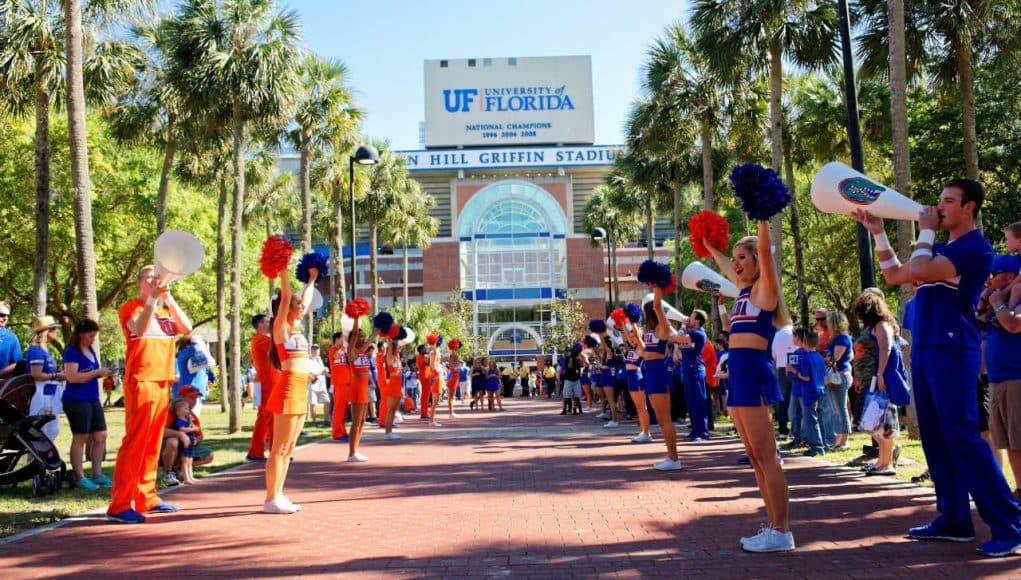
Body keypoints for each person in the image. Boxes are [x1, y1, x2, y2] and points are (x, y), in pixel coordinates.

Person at [855, 178, 1021, 557]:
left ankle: (1009, 524)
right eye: (939, 200)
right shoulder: (941, 248)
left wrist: (926, 229)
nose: (940, 206)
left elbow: (920, 268)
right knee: (934, 435)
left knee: (961, 435)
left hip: (952, 347)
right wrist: (879, 234)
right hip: (928, 349)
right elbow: (897, 275)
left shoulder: (974, 248)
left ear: (970, 208)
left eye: (949, 201)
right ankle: (954, 519)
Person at [706, 223, 794, 553]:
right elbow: (727, 268)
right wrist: (709, 246)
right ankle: (772, 525)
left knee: (768, 456)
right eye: (734, 259)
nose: (736, 263)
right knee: (754, 457)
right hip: (739, 376)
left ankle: (782, 530)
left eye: (743, 258)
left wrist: (762, 220)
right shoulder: (742, 291)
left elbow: (767, 257)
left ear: (758, 260)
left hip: (755, 372)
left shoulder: (764, 292)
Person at [107, 265, 192, 524]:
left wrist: (167, 296)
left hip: (163, 381)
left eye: (158, 276)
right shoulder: (130, 307)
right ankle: (119, 504)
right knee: (136, 441)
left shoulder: (165, 309)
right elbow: (140, 329)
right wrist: (153, 297)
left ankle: (147, 496)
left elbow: (186, 327)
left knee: (153, 442)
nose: (155, 280)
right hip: (142, 380)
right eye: (149, 277)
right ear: (138, 283)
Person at [263, 266, 317, 514]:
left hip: (300, 390)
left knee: (290, 448)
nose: (302, 308)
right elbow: (286, 295)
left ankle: (279, 493)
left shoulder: (296, 328)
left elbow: (304, 299)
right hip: (286, 389)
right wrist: (283, 271)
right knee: (279, 447)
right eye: (298, 306)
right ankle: (271, 498)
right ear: (287, 308)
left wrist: (312, 279)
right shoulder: (280, 329)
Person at [854, 290, 909, 476]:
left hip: (886, 375)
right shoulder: (881, 324)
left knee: (885, 420)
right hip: (884, 373)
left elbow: (886, 348)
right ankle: (882, 461)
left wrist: (880, 373)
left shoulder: (881, 325)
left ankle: (887, 464)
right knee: (880, 420)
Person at [982, 254, 1021, 499]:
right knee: (1010, 443)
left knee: (1019, 441)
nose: (989, 282)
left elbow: (1013, 324)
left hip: (1017, 378)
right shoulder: (998, 299)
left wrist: (998, 302)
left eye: (992, 276)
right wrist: (992, 299)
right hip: (997, 379)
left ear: (1008, 276)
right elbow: (978, 318)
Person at [62, 318, 116, 490]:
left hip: (93, 398)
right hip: (76, 399)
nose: (93, 339)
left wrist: (104, 373)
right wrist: (96, 373)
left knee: (101, 436)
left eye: (95, 336)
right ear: (81, 334)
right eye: (91, 335)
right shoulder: (72, 351)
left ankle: (97, 473)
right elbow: (72, 377)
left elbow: (90, 373)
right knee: (81, 437)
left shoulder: (91, 350)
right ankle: (79, 477)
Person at [637, 288, 682, 471]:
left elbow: (657, 305)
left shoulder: (663, 327)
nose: (645, 314)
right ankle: (671, 456)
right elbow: (641, 348)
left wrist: (656, 286)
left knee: (665, 419)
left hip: (658, 372)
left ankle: (674, 458)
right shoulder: (649, 329)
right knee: (661, 419)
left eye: (646, 311)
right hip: (650, 372)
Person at [161, 386, 213, 486]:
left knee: (209, 455)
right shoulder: (169, 412)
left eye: (196, 398)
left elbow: (200, 435)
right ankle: (168, 473)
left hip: (187, 446)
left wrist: (196, 440)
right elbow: (161, 432)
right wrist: (180, 434)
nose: (195, 401)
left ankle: (179, 468)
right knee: (173, 441)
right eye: (192, 398)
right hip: (166, 448)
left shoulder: (192, 416)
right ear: (181, 398)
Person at [26, 315, 66, 442]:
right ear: (45, 331)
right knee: (43, 429)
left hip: (50, 394)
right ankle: (36, 460)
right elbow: (36, 375)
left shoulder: (45, 350)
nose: (56, 331)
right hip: (41, 396)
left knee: (52, 429)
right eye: (53, 328)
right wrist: (57, 376)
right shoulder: (36, 351)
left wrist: (60, 375)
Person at [676, 310, 709, 441]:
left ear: (697, 321)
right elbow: (678, 341)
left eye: (691, 317)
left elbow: (678, 338)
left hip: (695, 370)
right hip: (688, 370)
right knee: (691, 402)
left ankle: (702, 432)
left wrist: (683, 325)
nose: (689, 318)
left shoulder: (698, 333)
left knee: (698, 401)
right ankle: (695, 430)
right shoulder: (692, 333)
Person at [791, 330, 826, 457]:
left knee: (811, 420)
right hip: (821, 389)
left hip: (810, 391)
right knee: (819, 418)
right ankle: (823, 444)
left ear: (805, 342)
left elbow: (806, 377)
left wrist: (794, 371)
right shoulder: (819, 357)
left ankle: (816, 446)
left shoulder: (806, 358)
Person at [246, 314, 276, 462]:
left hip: (263, 382)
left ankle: (255, 452)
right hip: (265, 382)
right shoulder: (261, 339)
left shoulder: (261, 339)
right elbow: (277, 346)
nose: (270, 323)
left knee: (263, 419)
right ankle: (275, 452)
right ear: (260, 324)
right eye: (267, 321)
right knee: (271, 417)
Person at [823, 311, 854, 451]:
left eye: (829, 322)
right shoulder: (837, 338)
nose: (827, 324)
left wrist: (820, 360)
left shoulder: (842, 338)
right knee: (837, 408)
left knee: (840, 408)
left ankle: (844, 441)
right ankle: (838, 440)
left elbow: (835, 357)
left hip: (839, 376)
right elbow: (851, 356)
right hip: (838, 375)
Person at [347, 325, 379, 460]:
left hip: (364, 388)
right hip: (357, 387)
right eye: (360, 336)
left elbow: (372, 338)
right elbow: (354, 335)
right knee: (356, 421)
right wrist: (355, 319)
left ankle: (356, 450)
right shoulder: (351, 351)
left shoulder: (361, 351)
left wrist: (378, 328)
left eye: (363, 336)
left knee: (362, 421)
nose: (363, 338)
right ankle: (352, 453)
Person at [622, 323, 651, 443]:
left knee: (642, 407)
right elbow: (627, 336)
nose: (631, 339)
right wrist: (623, 323)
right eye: (631, 337)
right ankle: (643, 431)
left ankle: (647, 433)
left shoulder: (641, 348)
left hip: (638, 378)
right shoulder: (633, 348)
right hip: (631, 379)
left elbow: (637, 337)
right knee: (638, 408)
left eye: (634, 337)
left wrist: (633, 322)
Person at [771, 324, 796, 443]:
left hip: (781, 368)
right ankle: (797, 430)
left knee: (782, 401)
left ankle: (783, 430)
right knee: (796, 400)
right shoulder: (795, 333)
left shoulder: (776, 336)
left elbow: (773, 356)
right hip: (795, 368)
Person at [169, 398, 200, 484]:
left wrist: (191, 422)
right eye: (185, 408)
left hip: (190, 443)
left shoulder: (187, 420)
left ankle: (191, 476)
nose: (188, 410)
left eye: (188, 408)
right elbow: (182, 429)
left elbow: (196, 428)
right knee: (185, 461)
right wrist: (192, 429)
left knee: (190, 460)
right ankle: (186, 478)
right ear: (178, 411)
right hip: (184, 444)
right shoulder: (178, 421)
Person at [328, 331, 351, 441]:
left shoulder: (344, 352)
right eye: (342, 338)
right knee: (338, 409)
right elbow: (336, 356)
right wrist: (344, 346)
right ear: (336, 339)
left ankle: (342, 431)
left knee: (343, 410)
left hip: (346, 384)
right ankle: (337, 433)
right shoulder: (333, 350)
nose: (344, 340)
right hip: (338, 384)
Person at [380, 337, 403, 440]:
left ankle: (390, 431)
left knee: (394, 410)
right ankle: (387, 432)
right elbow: (389, 346)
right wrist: (388, 336)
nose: (399, 347)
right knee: (390, 410)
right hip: (392, 384)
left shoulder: (397, 356)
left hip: (398, 385)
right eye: (397, 345)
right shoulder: (389, 355)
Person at [307, 344, 329, 425]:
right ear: (311, 350)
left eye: (317, 349)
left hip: (322, 384)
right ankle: (314, 422)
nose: (316, 351)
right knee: (313, 403)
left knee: (327, 401)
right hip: (313, 385)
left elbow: (323, 372)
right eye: (314, 349)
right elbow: (311, 373)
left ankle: (326, 421)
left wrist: (327, 373)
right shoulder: (308, 360)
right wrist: (322, 370)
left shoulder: (319, 359)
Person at [0, 301, 22, 379]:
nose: (5, 318)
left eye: (7, 315)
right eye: (2, 315)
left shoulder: (12, 338)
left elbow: (16, 364)